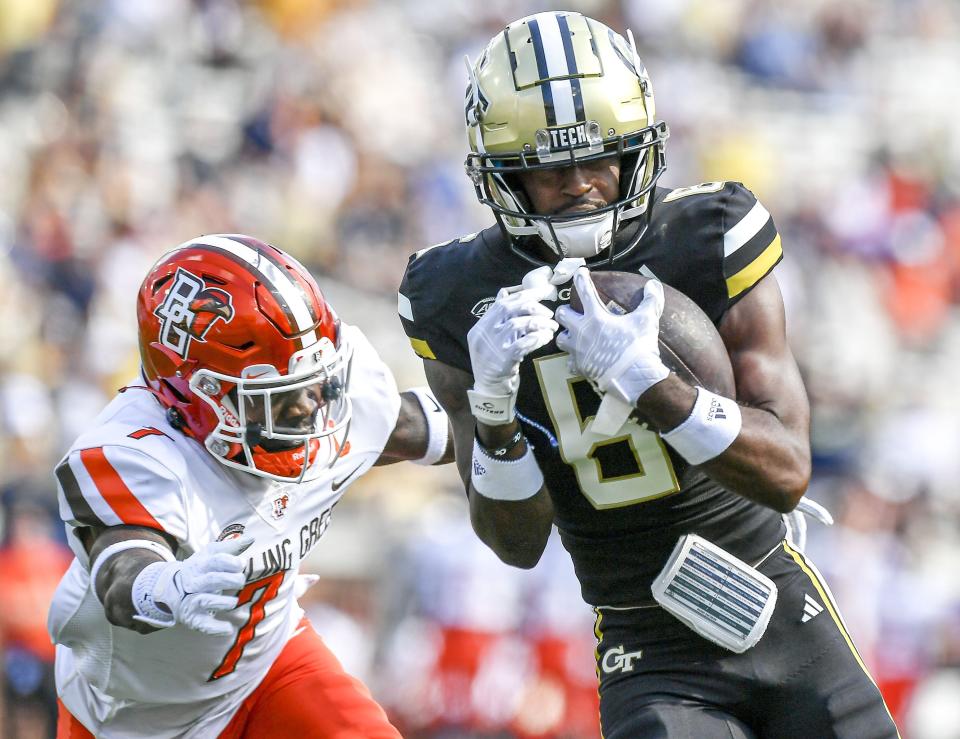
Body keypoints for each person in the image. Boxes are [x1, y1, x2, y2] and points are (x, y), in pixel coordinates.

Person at [398, 11, 900, 738]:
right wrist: (496, 410)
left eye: (602, 159)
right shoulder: (453, 295)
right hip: (646, 642)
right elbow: (516, 542)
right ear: (500, 174)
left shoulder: (706, 236)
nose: (580, 187)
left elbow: (788, 467)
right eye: (548, 169)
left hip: (778, 600)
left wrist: (648, 380)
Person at [49, 234, 453, 738]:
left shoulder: (325, 400)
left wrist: (509, 398)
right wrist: (163, 588)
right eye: (276, 398)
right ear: (199, 392)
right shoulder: (135, 453)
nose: (309, 409)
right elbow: (121, 571)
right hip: (130, 716)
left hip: (270, 665)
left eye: (313, 385)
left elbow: (427, 428)